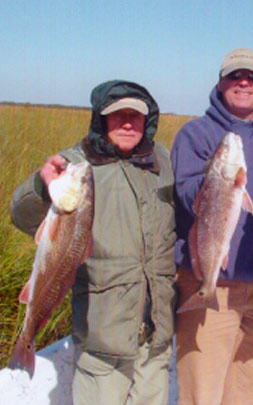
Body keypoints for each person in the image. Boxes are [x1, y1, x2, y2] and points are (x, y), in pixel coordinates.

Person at [10, 80, 176, 405]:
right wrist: (43, 186)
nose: (128, 123)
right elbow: (20, 214)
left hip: (156, 330)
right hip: (104, 335)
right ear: (100, 118)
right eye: (117, 115)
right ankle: (23, 345)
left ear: (148, 120)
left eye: (136, 115)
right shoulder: (74, 164)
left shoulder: (161, 160)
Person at [171, 48, 253, 405]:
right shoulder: (195, 133)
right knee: (202, 392)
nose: (243, 83)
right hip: (210, 282)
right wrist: (220, 178)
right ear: (221, 81)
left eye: (252, 76)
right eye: (235, 76)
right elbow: (185, 193)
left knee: (252, 392)